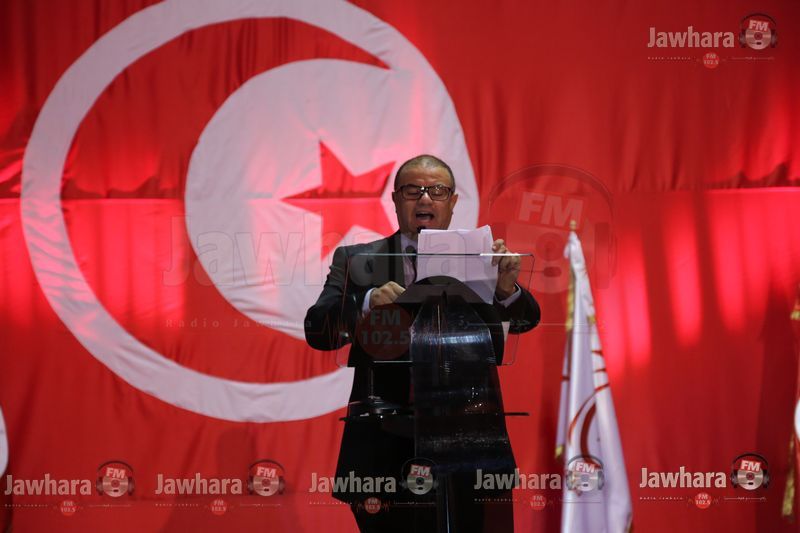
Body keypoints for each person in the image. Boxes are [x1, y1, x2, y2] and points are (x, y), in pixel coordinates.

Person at [304, 155, 540, 532]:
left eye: (437, 191)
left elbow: (527, 320)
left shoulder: (481, 257)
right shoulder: (358, 260)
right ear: (396, 199)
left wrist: (506, 289)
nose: (425, 199)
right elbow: (318, 329)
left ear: (453, 201)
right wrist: (366, 302)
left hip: (471, 439)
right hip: (384, 442)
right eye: (413, 190)